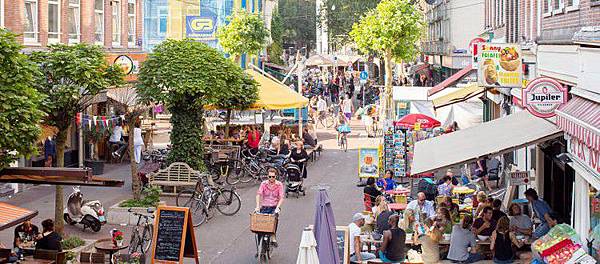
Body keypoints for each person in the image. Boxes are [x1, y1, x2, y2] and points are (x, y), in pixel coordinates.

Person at [255, 168, 285, 245]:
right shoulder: (263, 184)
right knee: (259, 227)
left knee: (274, 222)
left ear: (276, 177)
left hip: (274, 207)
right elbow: (258, 195)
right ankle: (258, 248)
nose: (271, 178)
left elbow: (281, 197)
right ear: (267, 176)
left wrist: (278, 207)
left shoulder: (279, 185)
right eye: (270, 176)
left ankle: (273, 237)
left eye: (273, 177)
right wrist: (257, 206)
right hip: (264, 207)